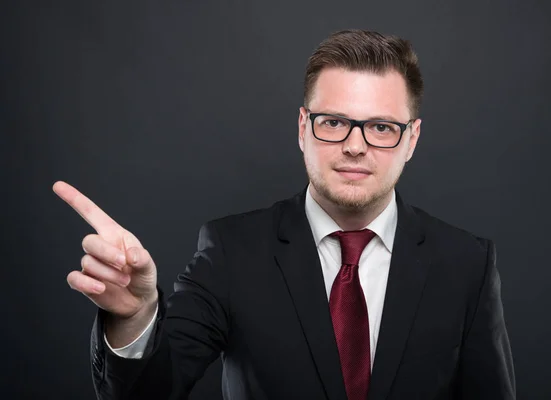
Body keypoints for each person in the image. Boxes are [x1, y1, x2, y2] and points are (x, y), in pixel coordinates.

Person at [54, 29, 515, 399]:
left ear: (411, 139)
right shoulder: (230, 251)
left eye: (380, 127)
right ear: (302, 128)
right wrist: (136, 319)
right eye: (333, 122)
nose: (355, 146)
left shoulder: (467, 263)